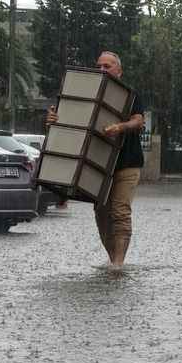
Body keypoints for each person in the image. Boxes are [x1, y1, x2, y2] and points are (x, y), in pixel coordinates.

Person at [46, 51, 145, 268]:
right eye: (99, 66)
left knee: (120, 212)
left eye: (107, 66)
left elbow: (139, 122)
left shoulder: (131, 96)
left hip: (127, 164)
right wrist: (53, 119)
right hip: (97, 165)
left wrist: (120, 127)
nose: (102, 70)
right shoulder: (83, 92)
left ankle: (118, 263)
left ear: (119, 71)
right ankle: (112, 259)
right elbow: (67, 121)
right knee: (101, 213)